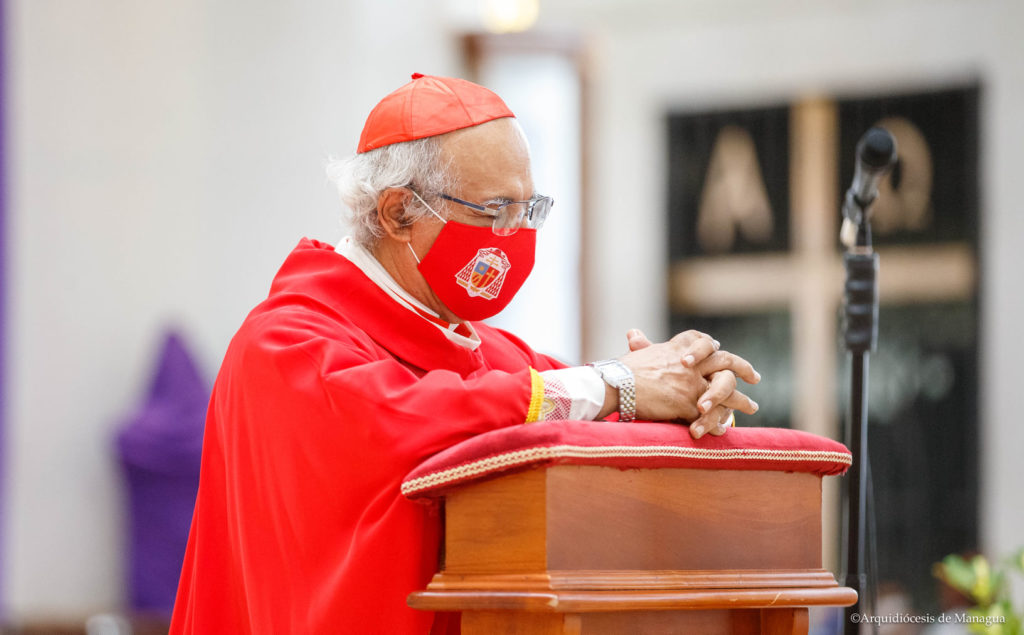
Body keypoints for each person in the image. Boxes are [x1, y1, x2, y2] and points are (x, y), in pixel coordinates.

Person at [169, 73, 760, 634]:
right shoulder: (285, 346)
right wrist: (616, 384)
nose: (517, 235)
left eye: (531, 210)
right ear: (399, 212)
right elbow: (407, 422)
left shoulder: (491, 354)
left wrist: (687, 393)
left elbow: (584, 403)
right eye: (497, 211)